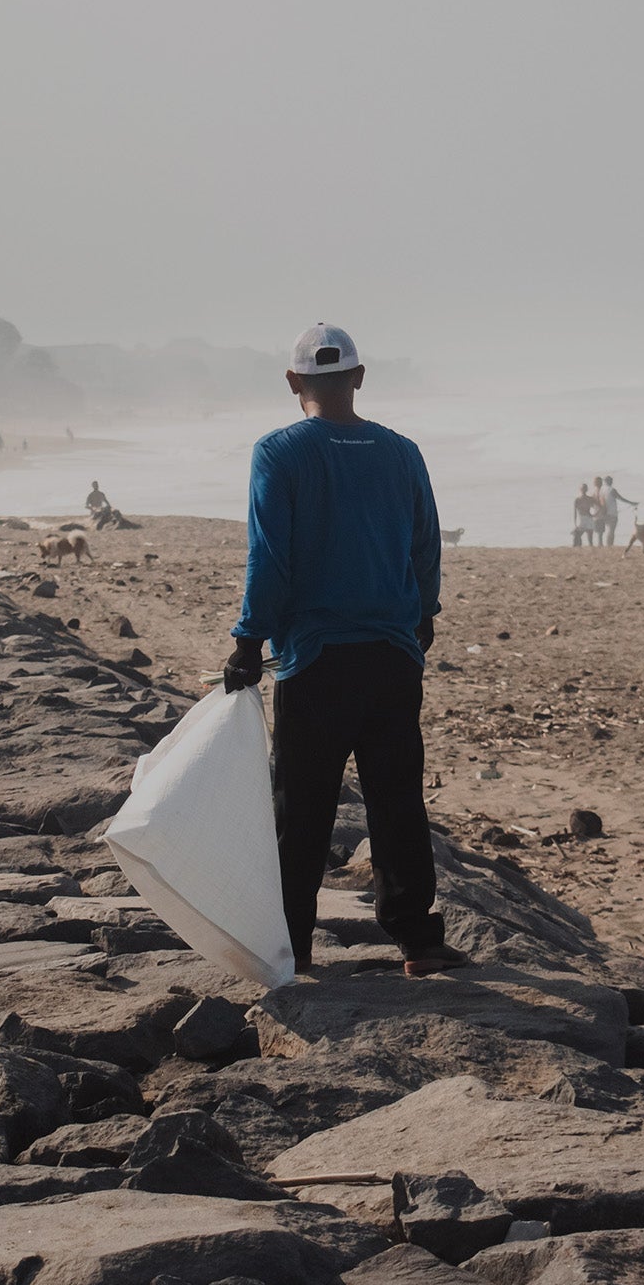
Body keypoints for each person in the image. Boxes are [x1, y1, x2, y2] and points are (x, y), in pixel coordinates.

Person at [222, 322, 462, 979]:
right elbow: (426, 544)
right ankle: (419, 943)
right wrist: (424, 615)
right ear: (359, 377)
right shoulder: (402, 451)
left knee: (301, 808)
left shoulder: (278, 452)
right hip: (390, 655)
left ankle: (292, 947)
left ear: (294, 382)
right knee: (396, 800)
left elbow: (269, 557)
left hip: (315, 660)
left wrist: (248, 638)